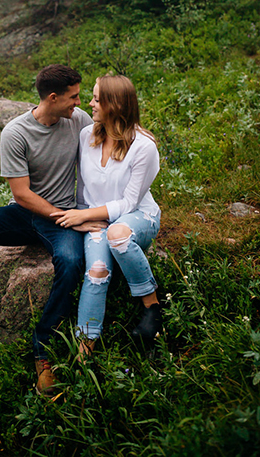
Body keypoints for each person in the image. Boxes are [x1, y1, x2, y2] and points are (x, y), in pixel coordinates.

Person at [0, 64, 94, 395]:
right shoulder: (15, 133)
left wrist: (141, 138)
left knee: (71, 262)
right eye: (73, 97)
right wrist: (61, 216)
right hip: (27, 214)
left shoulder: (78, 121)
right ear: (53, 97)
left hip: (63, 216)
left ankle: (43, 346)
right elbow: (21, 194)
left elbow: (110, 138)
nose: (78, 103)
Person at [51, 74, 163, 355]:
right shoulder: (87, 136)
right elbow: (82, 190)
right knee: (97, 271)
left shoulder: (144, 147)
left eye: (97, 99)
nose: (89, 104)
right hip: (95, 219)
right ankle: (84, 350)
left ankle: (152, 306)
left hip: (138, 217)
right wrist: (81, 217)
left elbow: (128, 203)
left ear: (115, 105)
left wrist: (83, 217)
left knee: (118, 235)